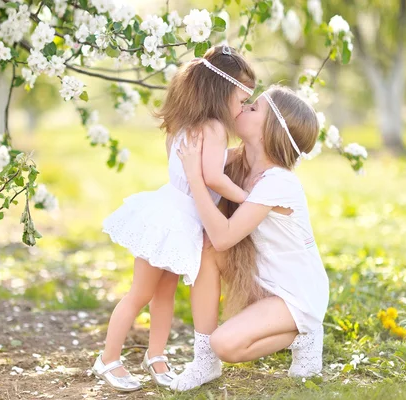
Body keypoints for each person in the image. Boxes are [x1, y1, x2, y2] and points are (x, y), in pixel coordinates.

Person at [92, 45, 256, 392]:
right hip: (172, 221)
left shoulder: (183, 125)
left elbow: (192, 166)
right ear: (223, 92)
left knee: (163, 293)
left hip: (174, 215)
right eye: (242, 99)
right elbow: (211, 177)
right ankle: (107, 358)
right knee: (140, 294)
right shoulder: (213, 128)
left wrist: (232, 155)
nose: (243, 107)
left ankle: (157, 355)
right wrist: (250, 199)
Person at [170, 85, 329, 391]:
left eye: (254, 108)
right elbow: (194, 163)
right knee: (206, 251)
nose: (243, 108)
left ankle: (306, 332)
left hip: (294, 295)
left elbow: (225, 236)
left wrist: (194, 177)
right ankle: (204, 360)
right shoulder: (240, 162)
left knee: (227, 345)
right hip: (263, 279)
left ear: (269, 131)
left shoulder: (279, 182)